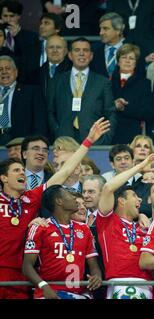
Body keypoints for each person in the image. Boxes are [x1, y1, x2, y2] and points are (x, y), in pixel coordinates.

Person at [0, 118, 109, 299]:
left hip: (20, 274)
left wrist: (88, 141)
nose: (22, 173)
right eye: (16, 170)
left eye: (22, 170)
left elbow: (65, 172)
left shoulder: (30, 198)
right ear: (3, 178)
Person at [96, 153, 154, 299]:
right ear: (121, 201)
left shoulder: (144, 226)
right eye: (134, 196)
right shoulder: (107, 220)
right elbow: (107, 188)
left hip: (147, 286)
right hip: (118, 284)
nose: (139, 199)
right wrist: (140, 166)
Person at [22, 185, 102, 299]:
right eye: (69, 196)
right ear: (59, 201)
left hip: (78, 294)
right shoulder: (40, 227)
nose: (75, 199)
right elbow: (27, 266)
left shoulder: (84, 229)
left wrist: (97, 276)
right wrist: (44, 287)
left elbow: (93, 265)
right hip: (50, 293)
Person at [47, 37, 117, 144]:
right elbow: (50, 112)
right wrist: (57, 131)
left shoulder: (102, 82)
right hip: (64, 140)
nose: (81, 53)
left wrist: (105, 139)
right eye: (77, 50)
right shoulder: (56, 81)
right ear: (70, 55)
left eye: (85, 50)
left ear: (91, 55)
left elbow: (111, 113)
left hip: (94, 140)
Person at [110, 44, 153, 144]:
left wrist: (124, 108)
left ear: (136, 62)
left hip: (133, 135)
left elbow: (148, 112)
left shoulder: (144, 83)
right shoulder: (107, 82)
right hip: (110, 134)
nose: (127, 61)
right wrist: (114, 105)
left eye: (131, 58)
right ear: (118, 61)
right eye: (124, 57)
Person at [0, 55, 47, 145]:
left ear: (16, 72)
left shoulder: (31, 92)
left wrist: (35, 144)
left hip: (21, 141)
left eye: (8, 68)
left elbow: (40, 122)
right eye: (0, 69)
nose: (4, 72)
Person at [26, 35, 71, 99]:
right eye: (51, 47)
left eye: (58, 47)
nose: (54, 50)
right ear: (46, 50)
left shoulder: (73, 72)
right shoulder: (34, 75)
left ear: (66, 51)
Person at [91, 12, 126, 78]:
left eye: (105, 28)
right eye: (100, 29)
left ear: (118, 30)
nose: (101, 33)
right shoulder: (93, 50)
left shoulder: (133, 49)